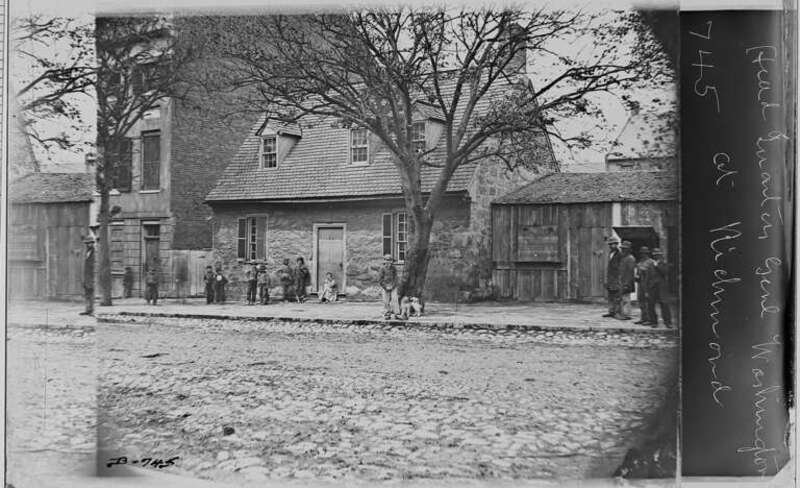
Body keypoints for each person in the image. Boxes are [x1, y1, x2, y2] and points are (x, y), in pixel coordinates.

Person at [648, 248, 673, 328]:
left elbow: (665, 272)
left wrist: (657, 265)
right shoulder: (650, 264)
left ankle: (668, 322)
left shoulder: (663, 263)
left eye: (658, 255)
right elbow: (648, 276)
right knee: (651, 305)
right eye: (655, 255)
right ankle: (654, 322)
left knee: (664, 304)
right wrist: (647, 287)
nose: (656, 256)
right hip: (652, 287)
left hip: (662, 287)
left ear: (660, 255)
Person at [635, 246, 657, 325]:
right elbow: (638, 274)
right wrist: (637, 276)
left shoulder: (651, 262)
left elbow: (653, 276)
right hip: (641, 284)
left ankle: (649, 319)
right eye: (641, 253)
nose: (643, 255)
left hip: (648, 285)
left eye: (644, 253)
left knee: (648, 302)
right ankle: (643, 318)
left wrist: (650, 287)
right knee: (641, 302)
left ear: (647, 254)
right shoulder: (640, 262)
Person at [603, 236, 622, 318]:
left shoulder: (620, 254)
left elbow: (620, 268)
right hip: (610, 278)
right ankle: (611, 311)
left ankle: (617, 312)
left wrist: (619, 279)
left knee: (617, 296)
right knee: (610, 296)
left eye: (613, 244)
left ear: (617, 244)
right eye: (610, 244)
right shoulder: (610, 253)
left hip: (617, 278)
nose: (611, 246)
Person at [618, 241, 636, 320]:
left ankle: (627, 314)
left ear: (629, 250)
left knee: (626, 299)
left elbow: (630, 273)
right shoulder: (623, 258)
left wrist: (627, 284)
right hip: (622, 281)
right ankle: (623, 313)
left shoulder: (630, 258)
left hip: (626, 282)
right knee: (622, 298)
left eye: (625, 249)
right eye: (622, 249)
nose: (623, 250)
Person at [378, 254, 399, 319]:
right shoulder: (382, 269)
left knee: (394, 299)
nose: (388, 262)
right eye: (387, 260)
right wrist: (385, 287)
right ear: (384, 261)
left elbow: (396, 277)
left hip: (393, 285)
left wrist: (393, 285)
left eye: (390, 260)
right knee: (385, 300)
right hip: (385, 286)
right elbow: (380, 279)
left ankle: (396, 313)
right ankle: (387, 313)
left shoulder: (394, 268)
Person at [79, 237, 95, 316]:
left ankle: (91, 310)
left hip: (92, 276)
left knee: (91, 294)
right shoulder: (86, 252)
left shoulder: (95, 252)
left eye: (90, 243)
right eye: (88, 243)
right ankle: (87, 309)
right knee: (87, 294)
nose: (89, 244)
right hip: (86, 276)